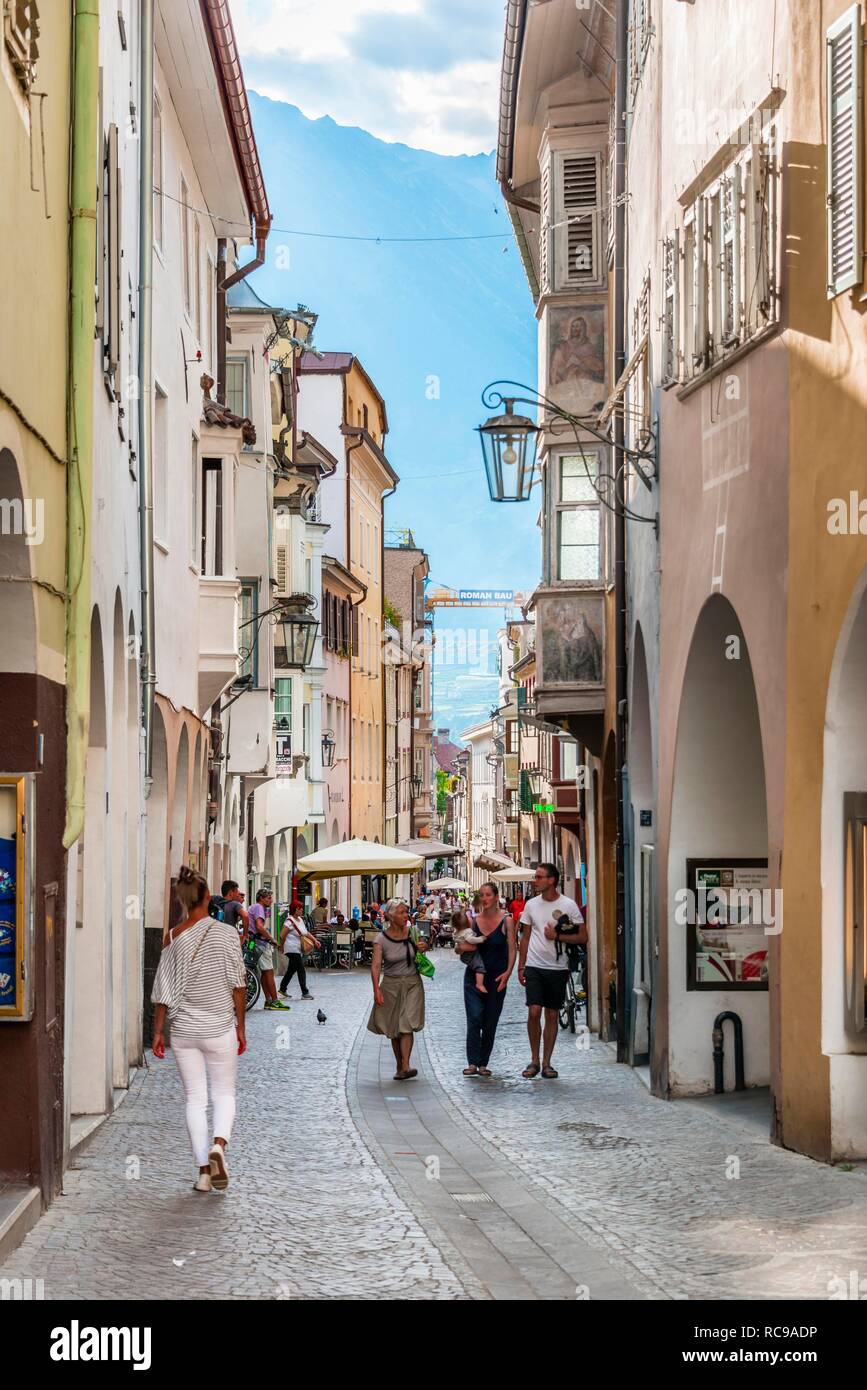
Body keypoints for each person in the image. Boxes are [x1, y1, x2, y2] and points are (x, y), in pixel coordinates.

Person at [151, 866, 247, 1193]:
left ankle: (204, 1174)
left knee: (195, 1099)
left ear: (184, 900)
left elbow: (163, 988)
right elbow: (238, 984)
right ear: (208, 897)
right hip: (219, 1027)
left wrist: (158, 1031)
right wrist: (240, 1027)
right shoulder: (227, 934)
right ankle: (219, 1144)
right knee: (224, 1093)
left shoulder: (173, 937)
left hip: (184, 1031)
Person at [517, 863, 587, 1079]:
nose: (534, 880)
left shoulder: (569, 905)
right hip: (534, 966)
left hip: (558, 967)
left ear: (552, 880)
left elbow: (582, 937)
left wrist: (556, 937)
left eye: (539, 877)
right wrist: (522, 965)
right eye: (535, 877)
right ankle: (534, 1059)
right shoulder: (530, 905)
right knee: (534, 1011)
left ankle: (547, 1062)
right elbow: (525, 937)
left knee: (552, 1014)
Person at [455, 882, 517, 1077]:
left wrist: (508, 973)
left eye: (488, 894)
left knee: (490, 1020)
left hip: (497, 976)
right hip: (474, 977)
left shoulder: (507, 921)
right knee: (474, 1018)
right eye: (482, 895)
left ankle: (484, 1063)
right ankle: (472, 1062)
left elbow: (513, 948)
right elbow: (459, 945)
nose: (485, 898)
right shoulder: (473, 921)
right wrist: (460, 948)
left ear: (496, 897)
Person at [367, 899, 429, 1081]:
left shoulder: (413, 932)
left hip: (412, 984)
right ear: (391, 916)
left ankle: (406, 1065)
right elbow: (376, 966)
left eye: (406, 912)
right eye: (401, 913)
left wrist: (422, 948)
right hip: (390, 985)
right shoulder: (381, 939)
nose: (406, 916)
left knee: (407, 1024)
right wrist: (376, 990)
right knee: (394, 1028)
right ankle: (400, 1066)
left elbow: (422, 952)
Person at [247, 888, 288, 1011]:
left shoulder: (252, 907)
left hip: (253, 943)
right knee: (269, 972)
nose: (271, 901)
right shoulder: (259, 908)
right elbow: (259, 927)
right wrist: (271, 939)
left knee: (264, 973)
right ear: (261, 898)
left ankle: (268, 1000)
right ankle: (275, 1000)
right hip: (260, 943)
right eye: (269, 898)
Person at [279, 900, 314, 1001]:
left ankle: (282, 989)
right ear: (295, 910)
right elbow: (282, 935)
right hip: (291, 948)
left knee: (291, 970)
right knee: (301, 969)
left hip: (297, 949)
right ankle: (305, 992)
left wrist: (315, 940)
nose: (302, 910)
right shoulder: (289, 921)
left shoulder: (300, 920)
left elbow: (305, 932)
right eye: (300, 908)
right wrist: (281, 946)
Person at [453, 915, 488, 994]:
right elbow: (471, 940)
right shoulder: (467, 931)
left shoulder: (457, 932)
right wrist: (481, 939)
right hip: (470, 954)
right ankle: (479, 984)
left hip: (465, 955)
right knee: (480, 967)